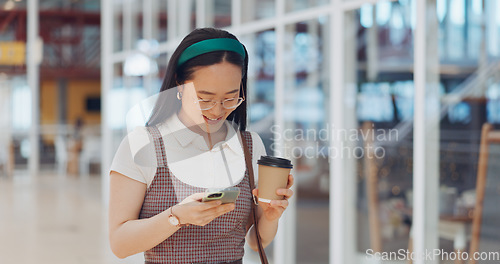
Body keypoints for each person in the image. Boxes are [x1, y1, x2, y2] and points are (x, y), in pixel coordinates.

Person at [108, 28, 294, 264]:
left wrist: (270, 216)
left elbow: (256, 242)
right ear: (179, 84)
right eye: (204, 98)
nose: (217, 111)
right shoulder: (143, 145)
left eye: (230, 98)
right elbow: (120, 244)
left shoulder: (249, 145)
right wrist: (176, 217)